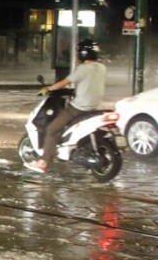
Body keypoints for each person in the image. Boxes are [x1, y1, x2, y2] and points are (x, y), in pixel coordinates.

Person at [30, 39, 106, 173]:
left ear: (82, 53)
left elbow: (64, 82)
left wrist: (48, 89)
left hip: (78, 109)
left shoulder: (83, 69)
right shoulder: (101, 68)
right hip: (94, 108)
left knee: (52, 129)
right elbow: (88, 84)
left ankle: (43, 161)